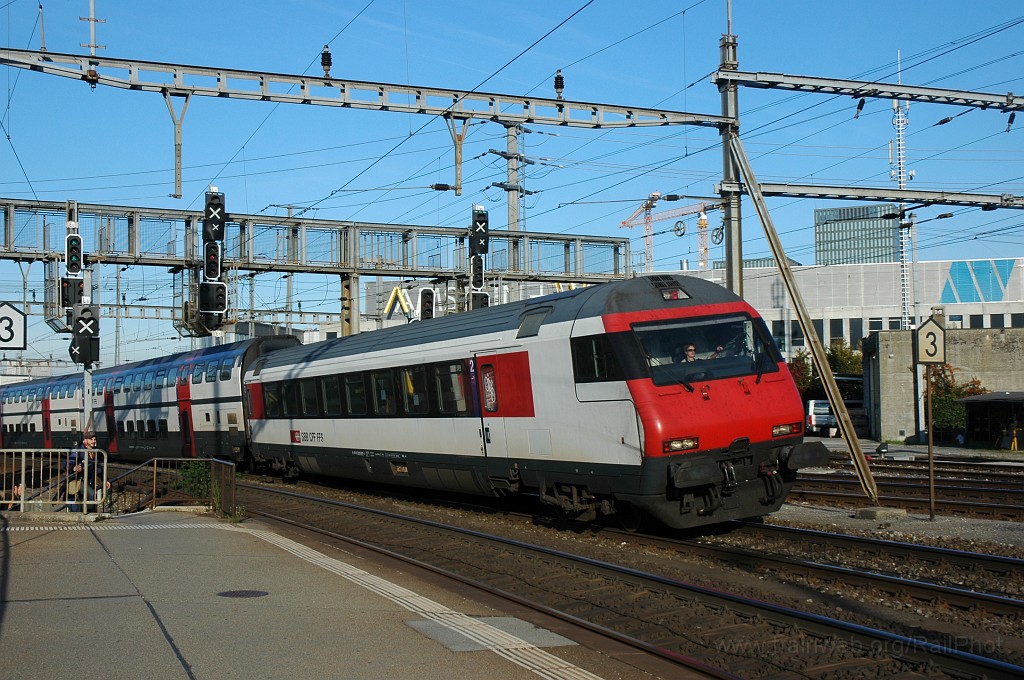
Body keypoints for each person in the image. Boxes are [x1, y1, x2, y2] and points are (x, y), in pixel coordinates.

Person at [66, 431, 109, 512]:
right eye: (91, 439)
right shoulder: (78, 451)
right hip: (77, 480)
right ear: (85, 441)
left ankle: (86, 511)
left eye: (94, 439)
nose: (93, 441)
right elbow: (67, 464)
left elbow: (98, 468)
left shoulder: (94, 452)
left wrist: (105, 480)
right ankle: (88, 512)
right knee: (91, 494)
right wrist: (74, 468)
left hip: (87, 480)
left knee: (89, 495)